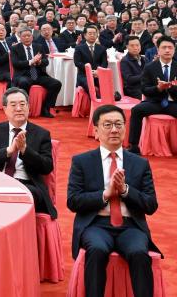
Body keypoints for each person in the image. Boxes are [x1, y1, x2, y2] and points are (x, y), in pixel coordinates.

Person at [67, 105, 160, 297]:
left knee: (138, 253)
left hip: (130, 226)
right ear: (96, 130)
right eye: (107, 125)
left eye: (118, 124)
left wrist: (125, 190)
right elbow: (74, 201)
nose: (114, 130)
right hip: (96, 224)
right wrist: (105, 194)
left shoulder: (139, 163)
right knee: (97, 250)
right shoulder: (82, 161)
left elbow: (150, 205)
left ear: (125, 128)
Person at [0, 88, 57, 218]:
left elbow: (47, 167)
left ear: (28, 107)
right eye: (13, 105)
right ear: (5, 109)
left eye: (22, 104)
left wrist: (25, 150)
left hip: (27, 185)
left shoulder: (41, 134)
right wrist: (8, 151)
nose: (19, 108)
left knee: (18, 198)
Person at [127, 36, 177, 154]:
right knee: (136, 110)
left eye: (170, 47)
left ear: (174, 50)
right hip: (155, 102)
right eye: (164, 47)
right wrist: (158, 88)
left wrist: (172, 87)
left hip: (173, 102)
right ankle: (134, 146)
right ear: (158, 50)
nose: (167, 50)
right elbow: (144, 89)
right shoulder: (150, 67)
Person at [9, 26, 62, 118]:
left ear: (32, 37)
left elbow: (46, 61)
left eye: (29, 36)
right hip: (23, 75)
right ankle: (24, 108)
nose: (27, 38)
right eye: (24, 36)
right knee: (23, 82)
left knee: (56, 84)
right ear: (20, 38)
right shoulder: (15, 48)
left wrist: (39, 62)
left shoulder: (38, 47)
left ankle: (46, 108)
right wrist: (31, 62)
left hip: (38, 74)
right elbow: (16, 64)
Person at [74, 24, 108, 95]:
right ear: (85, 35)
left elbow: (104, 63)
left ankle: (106, 102)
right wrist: (90, 71)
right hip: (84, 75)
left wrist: (98, 71)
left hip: (98, 74)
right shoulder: (79, 48)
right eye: (90, 33)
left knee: (106, 85)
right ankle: (96, 104)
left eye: (94, 34)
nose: (92, 35)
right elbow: (77, 63)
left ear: (97, 35)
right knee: (91, 86)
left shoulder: (102, 48)